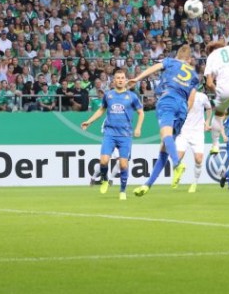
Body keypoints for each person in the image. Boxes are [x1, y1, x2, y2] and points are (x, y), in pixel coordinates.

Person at [129, 45, 199, 197]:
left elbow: (155, 67)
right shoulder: (194, 75)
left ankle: (177, 164)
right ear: (189, 59)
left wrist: (137, 78)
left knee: (165, 135)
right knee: (164, 148)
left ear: (179, 56)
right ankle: (147, 185)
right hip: (182, 107)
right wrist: (184, 113)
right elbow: (192, 98)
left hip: (168, 98)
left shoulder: (172, 61)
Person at [81, 69, 145, 200]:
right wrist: (89, 122)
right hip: (110, 133)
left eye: (122, 77)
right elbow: (101, 110)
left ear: (125, 80)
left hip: (125, 135)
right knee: (104, 161)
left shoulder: (132, 96)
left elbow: (141, 112)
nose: (120, 80)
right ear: (114, 80)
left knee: (123, 164)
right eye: (118, 78)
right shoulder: (108, 95)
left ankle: (122, 191)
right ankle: (104, 179)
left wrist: (138, 128)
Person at [173, 86, 212, 193]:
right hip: (183, 131)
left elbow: (209, 108)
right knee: (176, 158)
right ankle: (180, 169)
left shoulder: (202, 97)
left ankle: (194, 183)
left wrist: (207, 122)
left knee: (199, 159)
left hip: (197, 132)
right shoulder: (180, 96)